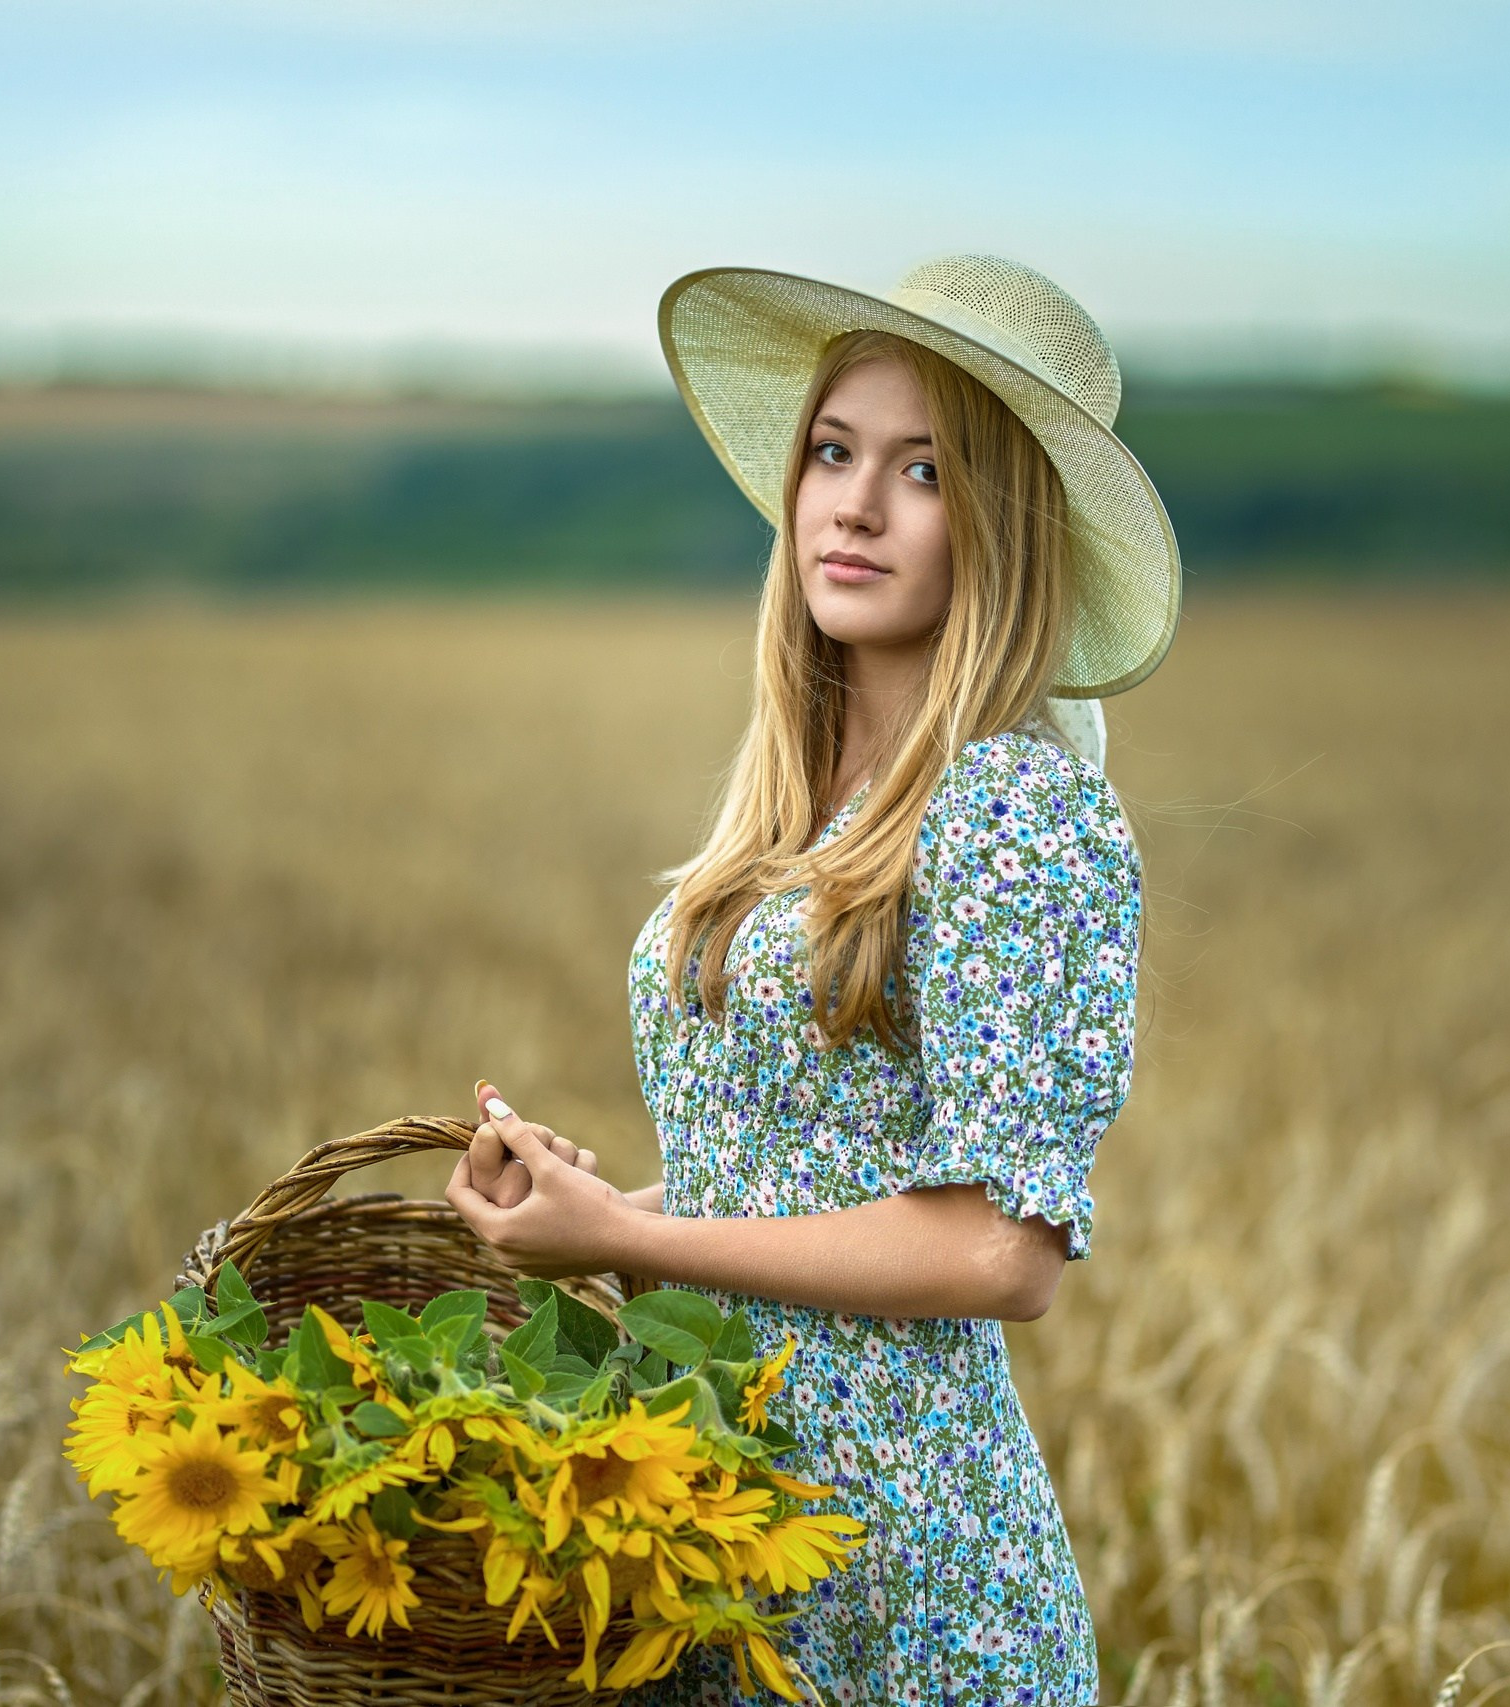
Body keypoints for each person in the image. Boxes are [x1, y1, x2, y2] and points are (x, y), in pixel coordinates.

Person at [442, 255, 1181, 1705]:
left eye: (923, 472)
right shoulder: (791, 818)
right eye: (834, 453)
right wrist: (594, 1218)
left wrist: (646, 1247)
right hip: (704, 1513)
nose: (853, 503)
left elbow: (997, 1252)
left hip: (900, 1555)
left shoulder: (1016, 815)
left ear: (1006, 530)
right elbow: (803, 1176)